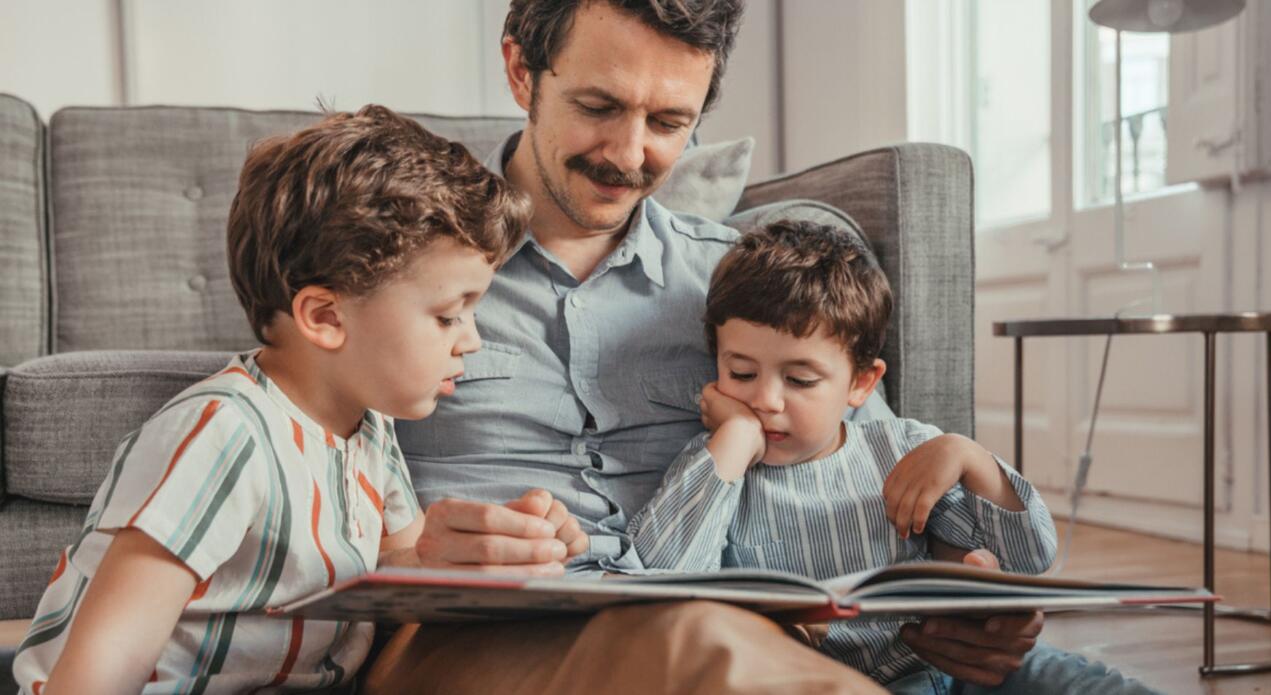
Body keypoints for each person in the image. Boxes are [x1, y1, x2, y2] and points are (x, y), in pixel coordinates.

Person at [366, 1, 1062, 693]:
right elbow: (288, 490)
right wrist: (402, 552)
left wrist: (974, 596)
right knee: (705, 647)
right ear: (522, 72)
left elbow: (872, 475)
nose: (629, 154)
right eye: (599, 105)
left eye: (669, 122)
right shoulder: (395, 272)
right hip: (478, 637)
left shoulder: (747, 290)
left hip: (751, 631)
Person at [10, 105, 551, 694]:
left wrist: (485, 558)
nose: (472, 339)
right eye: (449, 316)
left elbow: (398, 574)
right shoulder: (222, 435)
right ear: (324, 316)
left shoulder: (368, 429)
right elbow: (93, 678)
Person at [628, 220, 1063, 693]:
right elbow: (660, 584)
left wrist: (970, 457)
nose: (767, 400)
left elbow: (1029, 559)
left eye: (800, 380)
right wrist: (735, 435)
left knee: (1077, 681)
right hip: (810, 682)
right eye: (741, 372)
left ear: (860, 383)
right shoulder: (717, 468)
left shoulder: (904, 448)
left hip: (945, 671)